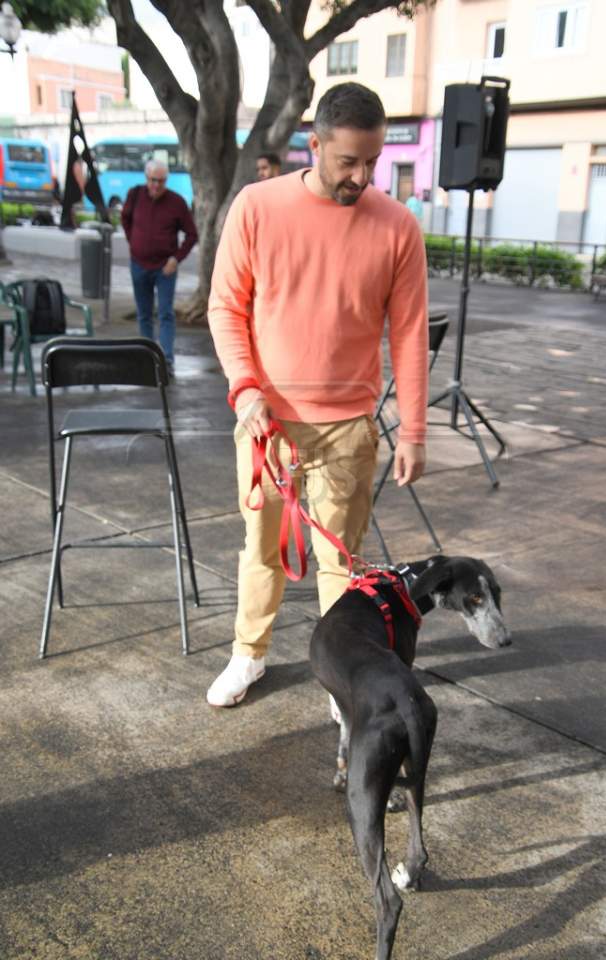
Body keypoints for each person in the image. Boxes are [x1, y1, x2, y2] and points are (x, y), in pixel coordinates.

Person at [206, 82, 428, 707]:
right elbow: (226, 307)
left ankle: (341, 676)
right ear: (316, 144)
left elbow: (410, 333)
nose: (362, 176)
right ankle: (248, 655)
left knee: (341, 562)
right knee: (261, 548)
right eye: (348, 161)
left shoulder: (398, 226)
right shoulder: (257, 206)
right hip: (267, 422)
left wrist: (414, 430)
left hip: (349, 425)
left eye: (373, 162)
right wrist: (245, 389)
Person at [121, 160, 198, 375]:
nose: (156, 185)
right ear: (147, 178)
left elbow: (192, 234)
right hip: (139, 264)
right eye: (153, 180)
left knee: (165, 314)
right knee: (144, 314)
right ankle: (147, 358)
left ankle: (166, 360)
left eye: (161, 181)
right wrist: (134, 243)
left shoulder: (176, 202)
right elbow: (125, 219)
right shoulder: (135, 195)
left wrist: (176, 258)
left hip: (165, 267)